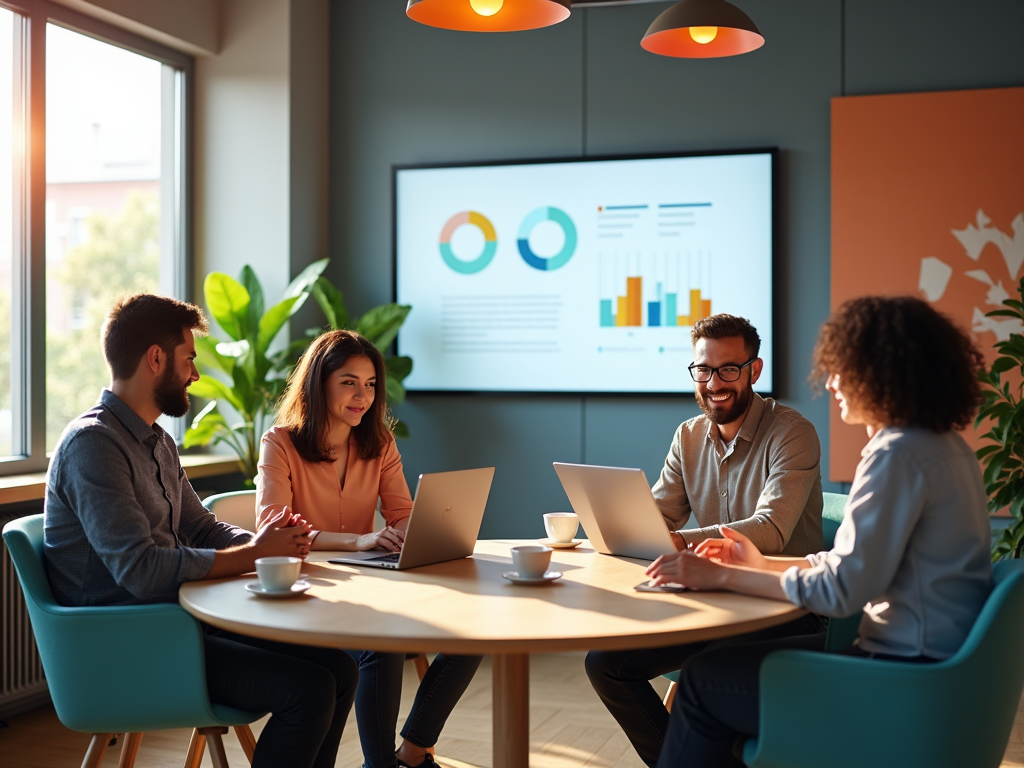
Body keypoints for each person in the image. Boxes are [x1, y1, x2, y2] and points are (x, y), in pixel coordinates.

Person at [648, 295, 992, 768]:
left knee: (704, 682)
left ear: (887, 373)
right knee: (708, 675)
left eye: (844, 369)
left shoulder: (895, 455)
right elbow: (854, 563)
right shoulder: (947, 448)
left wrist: (721, 576)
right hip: (932, 664)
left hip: (901, 674)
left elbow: (843, 591)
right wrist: (762, 563)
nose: (831, 382)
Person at [43, 293, 359, 768]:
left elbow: (200, 526)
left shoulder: (157, 442)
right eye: (188, 358)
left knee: (339, 666)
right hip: (128, 647)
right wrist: (253, 556)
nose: (194, 373)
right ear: (155, 358)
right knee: (311, 690)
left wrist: (268, 545)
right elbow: (142, 572)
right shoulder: (94, 446)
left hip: (175, 627)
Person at [585, 313, 825, 767]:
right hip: (714, 602)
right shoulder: (688, 436)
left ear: (754, 370)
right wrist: (620, 522)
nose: (714, 383)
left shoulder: (792, 433)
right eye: (703, 370)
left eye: (728, 370)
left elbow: (771, 529)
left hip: (786, 608)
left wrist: (675, 540)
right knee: (604, 664)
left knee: (706, 669)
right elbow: (659, 515)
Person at [256, 329, 482, 768]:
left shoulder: (379, 443)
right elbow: (274, 528)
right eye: (349, 382)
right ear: (319, 383)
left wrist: (430, 527)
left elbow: (401, 513)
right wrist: (357, 541)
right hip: (307, 592)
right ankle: (380, 766)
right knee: (382, 644)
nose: (362, 395)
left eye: (370, 384)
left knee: (474, 629)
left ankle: (413, 752)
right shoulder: (280, 443)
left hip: (370, 586)